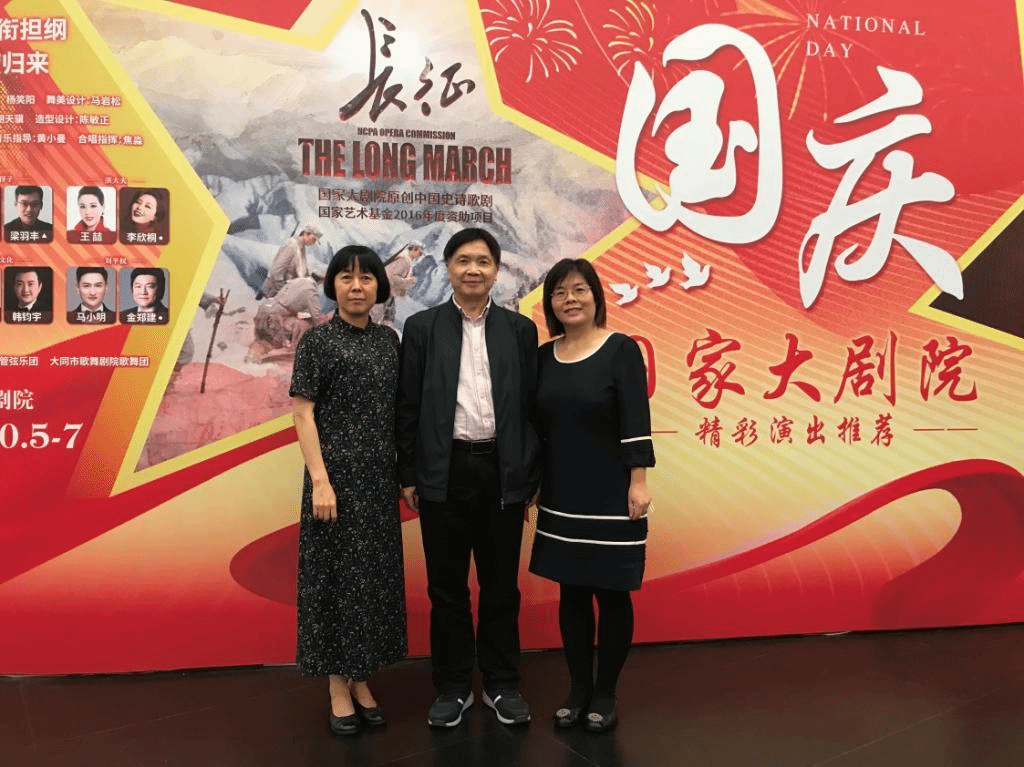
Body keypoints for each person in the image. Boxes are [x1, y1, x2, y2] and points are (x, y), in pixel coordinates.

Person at [396, 227, 540, 728]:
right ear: (448, 268)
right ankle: (453, 686)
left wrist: (530, 472)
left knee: (501, 587)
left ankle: (502, 684)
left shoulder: (518, 330)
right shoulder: (423, 328)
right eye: (463, 260)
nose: (473, 269)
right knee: (447, 587)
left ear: (496, 270)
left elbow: (531, 408)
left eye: (482, 261)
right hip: (445, 470)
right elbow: (408, 406)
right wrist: (409, 473)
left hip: (502, 471)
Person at [527, 258, 655, 733]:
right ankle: (578, 688)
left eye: (579, 289)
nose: (570, 299)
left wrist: (638, 481)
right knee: (573, 594)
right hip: (561, 493)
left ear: (596, 296)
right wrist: (533, 482)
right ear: (550, 304)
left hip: (611, 493)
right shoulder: (544, 357)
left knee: (613, 595)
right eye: (560, 292)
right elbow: (536, 428)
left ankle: (605, 692)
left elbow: (635, 419)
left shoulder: (621, 350)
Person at [289, 245, 406, 737]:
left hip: (378, 482)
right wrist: (320, 480)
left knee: (371, 581)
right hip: (332, 483)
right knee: (335, 581)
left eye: (366, 278)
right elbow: (302, 413)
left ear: (380, 286)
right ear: (332, 285)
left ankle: (361, 678)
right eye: (346, 278)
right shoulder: (318, 341)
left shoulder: (389, 342)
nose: (357, 287)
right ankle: (337, 684)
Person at [250, 271, 329, 360]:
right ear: (321, 281)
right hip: (275, 317)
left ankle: (252, 354)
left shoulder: (296, 281)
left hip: (265, 310)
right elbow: (317, 317)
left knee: (263, 339)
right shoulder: (311, 291)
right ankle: (291, 349)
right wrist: (327, 326)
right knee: (303, 326)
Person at [259, 224, 324, 299]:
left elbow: (301, 270)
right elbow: (276, 271)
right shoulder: (292, 245)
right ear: (306, 233)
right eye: (314, 239)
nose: (314, 242)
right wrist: (283, 291)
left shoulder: (301, 247)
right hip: (278, 294)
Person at [369, 240, 424, 327]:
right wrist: (409, 281)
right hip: (383, 292)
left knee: (387, 319)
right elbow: (392, 277)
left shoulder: (404, 261)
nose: (420, 255)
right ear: (413, 249)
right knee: (374, 317)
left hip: (387, 294)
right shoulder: (403, 262)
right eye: (419, 252)